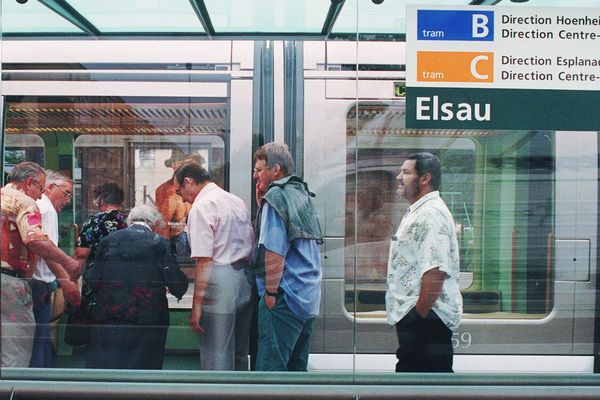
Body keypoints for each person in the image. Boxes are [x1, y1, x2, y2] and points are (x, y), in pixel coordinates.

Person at [85, 204, 188, 369]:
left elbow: (92, 277)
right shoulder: (160, 243)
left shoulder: (109, 241)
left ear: (129, 221)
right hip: (149, 317)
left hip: (111, 315)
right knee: (144, 369)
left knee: (110, 369)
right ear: (153, 224)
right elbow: (176, 283)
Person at [385, 152, 463, 373]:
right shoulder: (420, 211)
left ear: (425, 179)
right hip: (423, 318)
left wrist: (416, 316)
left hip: (426, 320)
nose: (399, 177)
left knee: (418, 388)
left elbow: (434, 271)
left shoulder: (429, 214)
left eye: (406, 172)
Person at [174, 162, 254, 371]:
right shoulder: (236, 201)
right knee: (239, 353)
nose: (181, 198)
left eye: (179, 190)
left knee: (216, 355)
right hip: (245, 279)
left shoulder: (202, 207)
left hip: (219, 281)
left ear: (188, 181)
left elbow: (204, 260)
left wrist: (196, 306)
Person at [252, 142, 323, 371]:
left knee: (270, 371)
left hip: (284, 297)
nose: (255, 176)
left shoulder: (276, 197)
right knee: (295, 374)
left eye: (259, 169)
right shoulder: (300, 192)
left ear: (275, 170)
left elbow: (275, 251)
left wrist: (270, 294)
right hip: (307, 296)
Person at [1, 162, 80, 367]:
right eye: (40, 189)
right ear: (29, 183)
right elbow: (35, 239)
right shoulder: (25, 203)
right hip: (9, 282)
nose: (40, 196)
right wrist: (67, 262)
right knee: (15, 353)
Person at [29, 170, 81, 368]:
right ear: (49, 188)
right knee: (40, 338)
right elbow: (46, 249)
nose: (68, 200)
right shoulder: (46, 208)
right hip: (40, 283)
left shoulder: (38, 206)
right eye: (66, 193)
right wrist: (65, 279)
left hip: (37, 281)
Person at [155, 149, 205, 258]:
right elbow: (162, 227)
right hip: (176, 248)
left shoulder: (203, 188)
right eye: (188, 164)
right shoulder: (164, 191)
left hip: (201, 245)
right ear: (174, 164)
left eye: (196, 164)